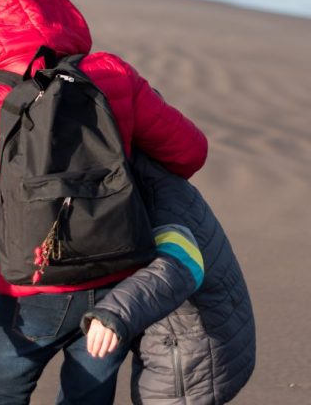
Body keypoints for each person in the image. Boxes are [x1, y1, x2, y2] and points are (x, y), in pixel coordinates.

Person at [0, 0, 208, 404]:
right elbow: (190, 150)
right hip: (115, 280)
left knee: (0, 395)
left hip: (30, 290)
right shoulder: (110, 73)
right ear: (50, 4)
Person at [81, 153, 256, 404]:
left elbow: (179, 266)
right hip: (212, 340)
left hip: (191, 357)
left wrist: (114, 314)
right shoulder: (158, 178)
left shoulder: (149, 199)